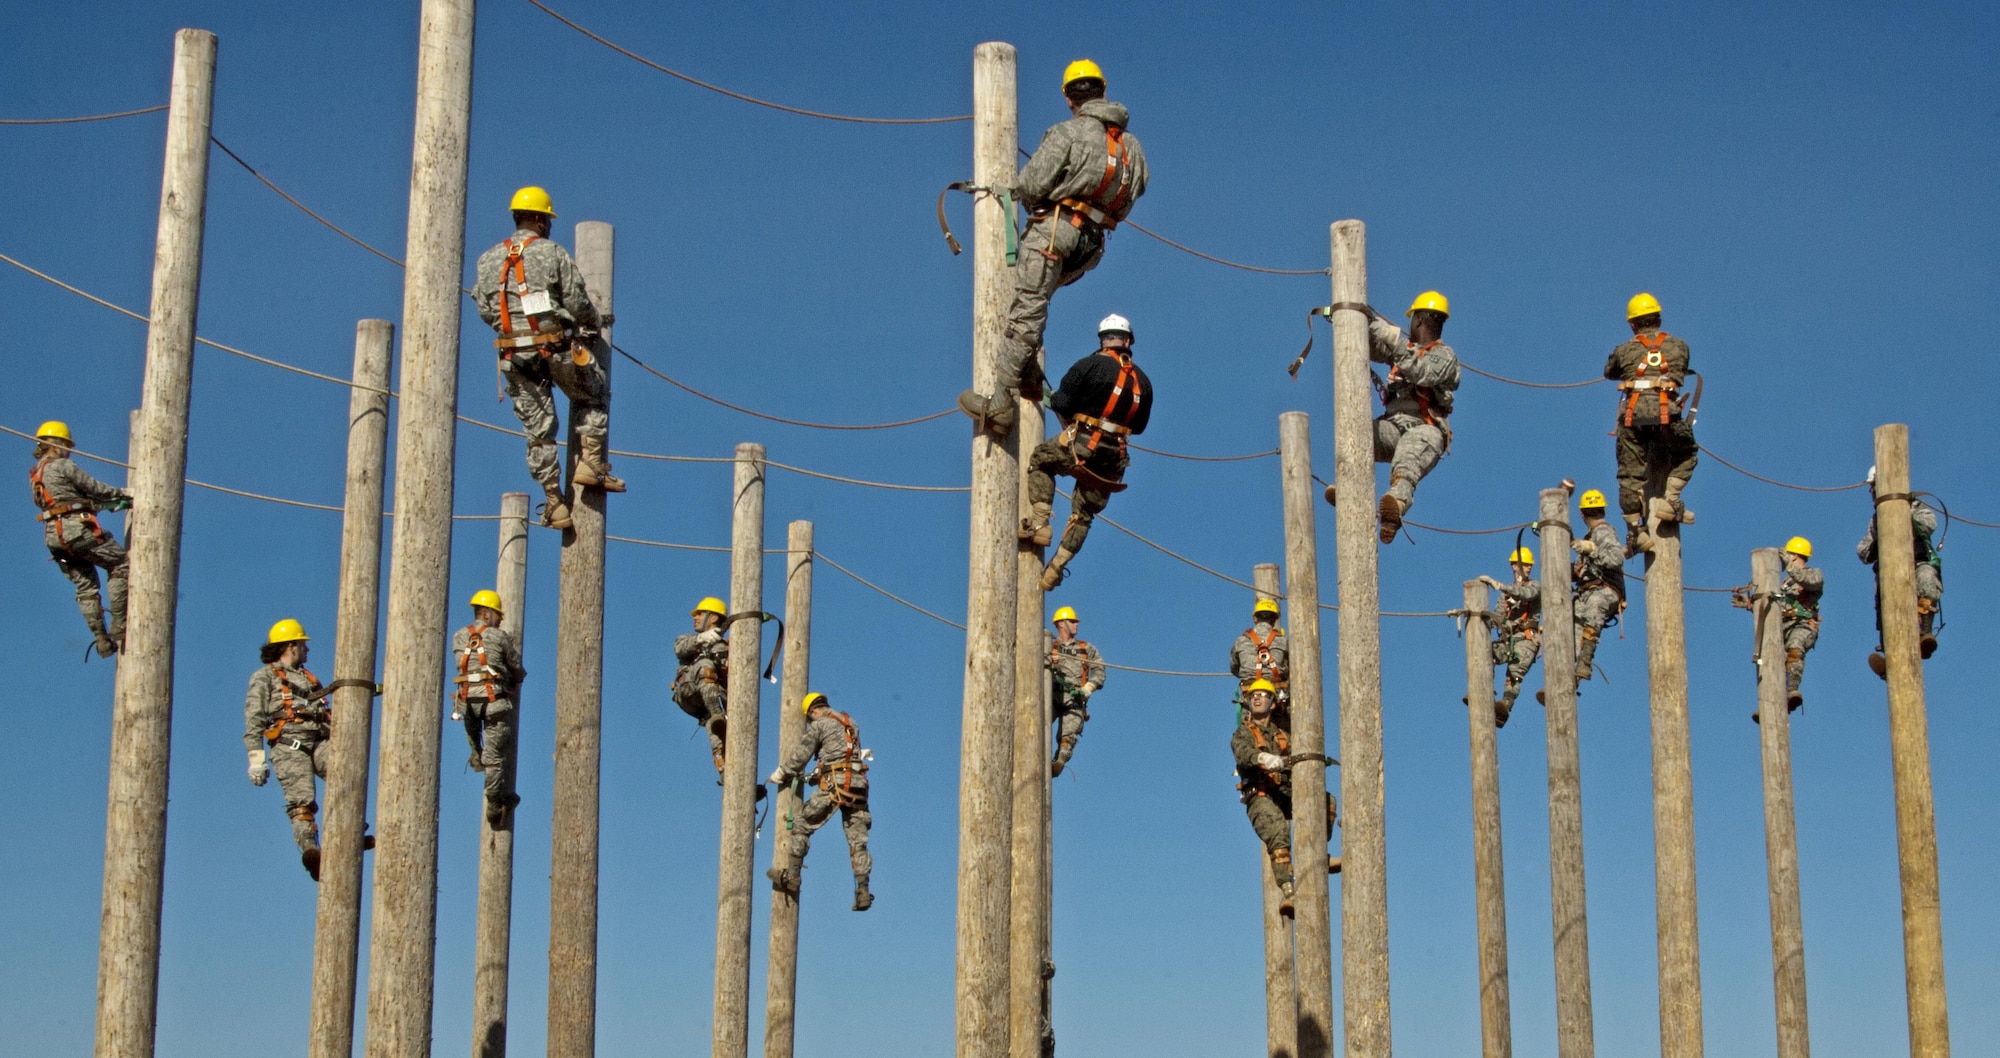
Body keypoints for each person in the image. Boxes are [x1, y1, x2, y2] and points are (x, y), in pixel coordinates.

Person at [957, 59, 1148, 437]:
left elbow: (1029, 185)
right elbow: (1135, 193)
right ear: (1103, 90)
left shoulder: (1068, 133)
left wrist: (1043, 206)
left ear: (1067, 98)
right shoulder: (1132, 147)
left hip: (1054, 234)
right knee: (1032, 301)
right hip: (1091, 247)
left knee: (1025, 309)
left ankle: (998, 404)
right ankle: (1026, 370)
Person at [472, 185, 623, 531]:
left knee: (539, 433)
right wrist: (593, 323)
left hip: (514, 355)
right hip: (554, 347)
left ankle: (555, 503)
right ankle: (592, 464)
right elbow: (576, 301)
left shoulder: (487, 260)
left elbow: (484, 309)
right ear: (540, 220)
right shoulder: (551, 252)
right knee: (594, 392)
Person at [1020, 314, 1153, 591]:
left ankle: (1039, 524)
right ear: (1128, 341)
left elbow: (1061, 402)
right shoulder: (1144, 382)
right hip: (1115, 458)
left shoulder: (1088, 365)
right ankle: (1055, 569)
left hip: (1081, 444)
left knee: (1041, 460)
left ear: (1103, 340)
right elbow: (1138, 426)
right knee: (1084, 515)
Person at [244, 619, 371, 879]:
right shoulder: (265, 676)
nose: (307, 650)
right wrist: (256, 758)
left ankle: (349, 833)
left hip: (320, 740)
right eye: (303, 645)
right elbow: (254, 718)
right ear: (290, 646)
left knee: (347, 775)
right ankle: (312, 851)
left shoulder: (308, 678)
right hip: (289, 745)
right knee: (302, 802)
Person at [1348, 292, 1464, 543]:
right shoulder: (1406, 349)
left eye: (1413, 319)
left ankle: (1395, 508)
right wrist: (1354, 319)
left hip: (1425, 429)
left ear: (1419, 320)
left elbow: (1422, 372)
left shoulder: (1445, 356)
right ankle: (1349, 492)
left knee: (1406, 464)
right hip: (1393, 425)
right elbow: (1372, 347)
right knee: (1354, 436)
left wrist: (1390, 336)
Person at [1232, 679, 1339, 916]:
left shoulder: (1283, 734)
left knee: (1326, 802)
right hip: (1260, 795)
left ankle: (1320, 855)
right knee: (1278, 830)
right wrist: (1263, 759)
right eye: (1253, 696)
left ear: (1272, 703)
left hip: (1283, 791)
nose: (1257, 698)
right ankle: (1289, 890)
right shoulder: (1244, 733)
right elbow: (1243, 753)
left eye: (1262, 695)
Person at [28, 420, 131, 658]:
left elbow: (70, 498)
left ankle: (101, 639)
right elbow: (93, 488)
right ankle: (120, 625)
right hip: (76, 530)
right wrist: (123, 494)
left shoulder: (36, 475)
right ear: (56, 445)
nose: (68, 450)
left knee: (85, 587)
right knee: (118, 564)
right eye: (66, 445)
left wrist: (106, 505)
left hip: (54, 537)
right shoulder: (62, 465)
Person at [1606, 293, 1697, 556]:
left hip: (1634, 417)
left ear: (1632, 324)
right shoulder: (1679, 346)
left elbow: (1610, 371)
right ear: (1658, 318)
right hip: (1667, 414)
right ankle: (1672, 499)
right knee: (1686, 451)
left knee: (1630, 473)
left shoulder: (1624, 351)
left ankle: (1636, 530)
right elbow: (1681, 369)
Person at [766, 692, 874, 911]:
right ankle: (862, 891)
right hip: (859, 786)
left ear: (813, 711)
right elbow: (842, 755)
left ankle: (793, 877)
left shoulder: (820, 725)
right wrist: (817, 773)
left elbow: (800, 756)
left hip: (836, 784)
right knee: (858, 842)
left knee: (801, 825)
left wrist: (782, 772)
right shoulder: (851, 723)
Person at [1857, 466, 1943, 677]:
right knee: (1886, 607)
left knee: (1926, 580)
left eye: (1874, 487)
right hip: (1890, 572)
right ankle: (1891, 657)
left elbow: (1930, 523)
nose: (1872, 492)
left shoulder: (1915, 505)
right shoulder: (1875, 520)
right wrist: (1878, 542)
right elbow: (1863, 551)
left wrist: (1903, 515)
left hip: (1917, 563)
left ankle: (1925, 634)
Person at [452, 589, 526, 826]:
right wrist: (515, 680)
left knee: (477, 743)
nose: (501, 619)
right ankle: (495, 804)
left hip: (466, 702)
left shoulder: (458, 636)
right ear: (486, 614)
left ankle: (476, 756)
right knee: (496, 757)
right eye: (497, 614)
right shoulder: (499, 637)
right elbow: (515, 666)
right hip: (494, 702)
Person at [1545, 489, 1624, 702]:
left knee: (1594, 608)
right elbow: (1579, 570)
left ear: (1582, 514)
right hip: (1586, 592)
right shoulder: (1591, 537)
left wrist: (1590, 549)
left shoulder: (1603, 532)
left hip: (1605, 589)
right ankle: (1563, 683)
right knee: (1568, 633)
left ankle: (1585, 663)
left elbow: (1616, 558)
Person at [1479, 548, 1540, 729]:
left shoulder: (1535, 586)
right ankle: (1483, 693)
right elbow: (1496, 618)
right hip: (1507, 639)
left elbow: (1525, 594)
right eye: (1524, 565)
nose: (1528, 569)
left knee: (1514, 673)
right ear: (1514, 566)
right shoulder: (1505, 596)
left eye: (1530, 566)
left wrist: (1500, 585)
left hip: (1526, 638)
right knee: (1484, 654)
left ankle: (1504, 707)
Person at [672, 596, 733, 774]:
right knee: (704, 667)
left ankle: (727, 773)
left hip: (711, 697)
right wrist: (701, 639)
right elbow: (679, 648)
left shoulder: (729, 646)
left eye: (700, 614)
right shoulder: (688, 639)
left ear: (713, 618)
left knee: (718, 732)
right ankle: (716, 715)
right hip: (689, 690)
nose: (695, 617)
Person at [1046, 605, 1106, 776]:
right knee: (1036, 725)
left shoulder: (1086, 648)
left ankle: (1058, 763)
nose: (1076, 625)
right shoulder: (1048, 647)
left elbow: (1100, 670)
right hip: (1051, 696)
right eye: (1072, 621)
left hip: (1075, 700)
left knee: (1068, 737)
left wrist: (1090, 686)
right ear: (1061, 624)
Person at [1776, 536, 1823, 711]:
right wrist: (1750, 603)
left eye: (1788, 556)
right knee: (1772, 663)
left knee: (1795, 649)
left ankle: (1791, 690)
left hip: (1803, 625)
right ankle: (1771, 700)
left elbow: (1809, 581)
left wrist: (1789, 565)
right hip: (1781, 628)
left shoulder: (1814, 574)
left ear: (1794, 556)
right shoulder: (1783, 584)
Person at [1230, 597, 1289, 721]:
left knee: (1249, 733)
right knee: (1284, 734)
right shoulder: (1283, 641)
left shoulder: (1240, 641)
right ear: (1274, 620)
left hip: (1250, 695)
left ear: (1255, 618)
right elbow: (1293, 669)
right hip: (1277, 697)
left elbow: (1234, 668)